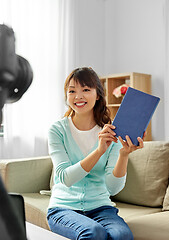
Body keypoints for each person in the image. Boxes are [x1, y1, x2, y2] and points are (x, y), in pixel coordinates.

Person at [47, 67, 145, 240]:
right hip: (63, 207)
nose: (78, 96)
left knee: (122, 236)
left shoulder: (112, 131)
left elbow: (112, 188)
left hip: (101, 207)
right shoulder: (57, 130)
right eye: (72, 91)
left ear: (98, 94)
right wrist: (99, 151)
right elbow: (65, 178)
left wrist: (123, 155)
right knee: (94, 233)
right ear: (66, 96)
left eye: (86, 90)